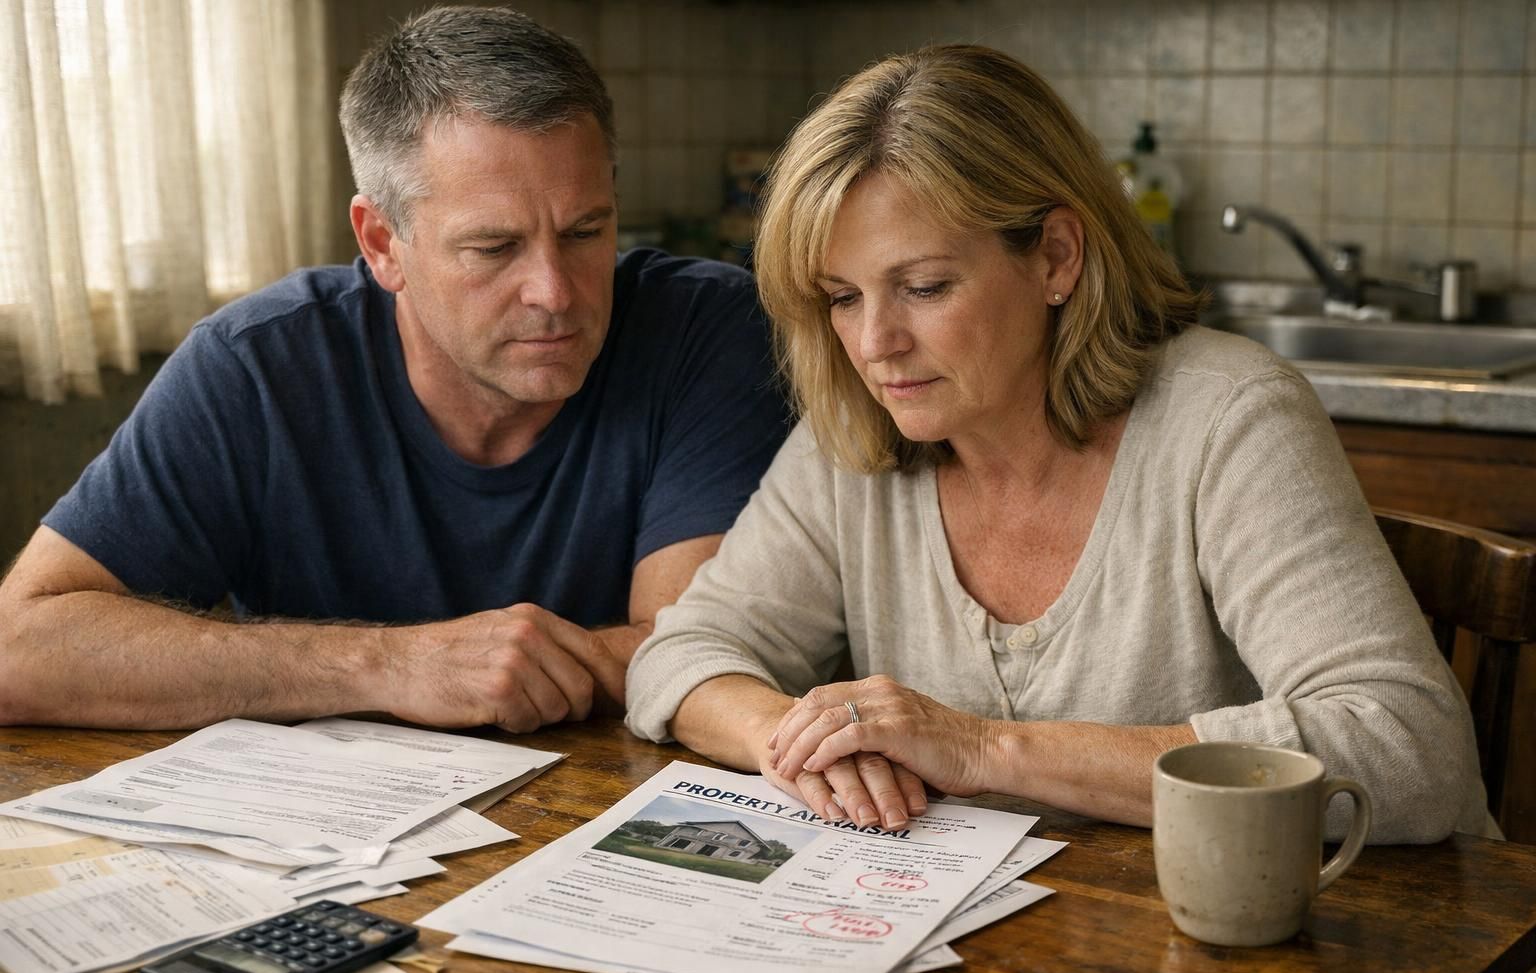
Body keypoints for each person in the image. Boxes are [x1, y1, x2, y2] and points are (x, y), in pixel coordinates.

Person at [625, 44, 1490, 845]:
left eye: (923, 286)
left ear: (1056, 257)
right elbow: (680, 656)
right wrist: (811, 740)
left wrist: (985, 751)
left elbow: (1410, 749)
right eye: (843, 298)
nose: (874, 344)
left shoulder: (1229, 418)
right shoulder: (852, 434)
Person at [0, 6, 787, 734]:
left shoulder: (708, 333)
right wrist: (387, 664)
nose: (555, 293)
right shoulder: (258, 367)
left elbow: (689, 653)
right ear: (381, 243)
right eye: (494, 248)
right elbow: (20, 648)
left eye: (586, 233)